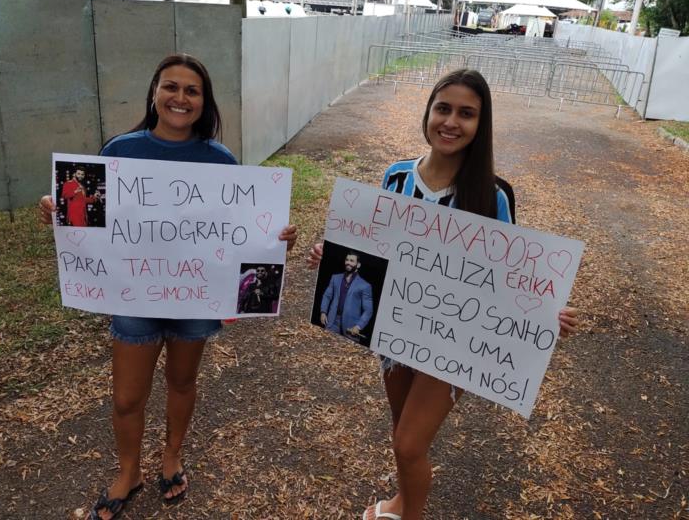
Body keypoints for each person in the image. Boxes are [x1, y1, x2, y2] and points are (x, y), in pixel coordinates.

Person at [307, 69, 580, 520]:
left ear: (481, 124)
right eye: (443, 108)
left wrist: (547, 314)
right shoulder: (396, 177)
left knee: (409, 444)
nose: (451, 122)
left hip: (454, 344)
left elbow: (512, 279)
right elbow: (371, 247)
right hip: (395, 332)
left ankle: (410, 513)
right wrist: (332, 254)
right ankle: (401, 501)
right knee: (404, 432)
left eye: (467, 114)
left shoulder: (492, 196)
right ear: (428, 112)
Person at [40, 54, 297, 520]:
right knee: (126, 396)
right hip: (134, 294)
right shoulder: (120, 151)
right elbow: (93, 220)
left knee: (182, 381)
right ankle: (128, 471)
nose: (181, 98)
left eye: (192, 90)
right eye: (171, 87)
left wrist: (277, 240)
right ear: (155, 93)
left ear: (204, 101)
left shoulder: (221, 161)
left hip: (194, 296)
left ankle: (172, 455)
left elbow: (241, 233)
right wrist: (60, 211)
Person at [319, 251, 373, 341]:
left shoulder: (365, 285)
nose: (348, 262)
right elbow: (327, 296)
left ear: (358, 265)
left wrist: (358, 326)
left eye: (352, 261)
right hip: (333, 321)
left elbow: (368, 310)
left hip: (351, 327)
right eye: (347, 260)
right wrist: (323, 312)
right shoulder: (335, 278)